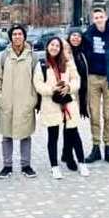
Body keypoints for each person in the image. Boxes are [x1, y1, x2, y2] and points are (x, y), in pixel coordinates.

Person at [34, 37, 89, 179]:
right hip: (51, 102)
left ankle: (82, 163)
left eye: (57, 46)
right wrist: (52, 89)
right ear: (47, 47)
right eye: (52, 45)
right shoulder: (41, 64)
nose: (54, 48)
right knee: (53, 136)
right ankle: (54, 166)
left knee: (74, 133)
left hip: (68, 102)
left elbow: (76, 79)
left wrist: (69, 87)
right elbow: (38, 84)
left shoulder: (68, 62)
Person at [0, 24, 39, 179]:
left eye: (20, 34)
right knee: (7, 135)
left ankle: (26, 165)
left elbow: (37, 80)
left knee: (26, 135)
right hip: (7, 101)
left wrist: (33, 99)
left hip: (25, 101)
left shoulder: (33, 56)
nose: (17, 37)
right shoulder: (3, 56)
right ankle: (7, 165)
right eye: (14, 34)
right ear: (10, 37)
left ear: (24, 37)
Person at [82, 7, 109, 164]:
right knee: (95, 114)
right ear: (93, 19)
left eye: (101, 16)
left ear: (106, 17)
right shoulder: (87, 36)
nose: (98, 19)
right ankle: (96, 147)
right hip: (93, 78)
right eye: (96, 17)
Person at [62, 28, 89, 171]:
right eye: (73, 36)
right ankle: (71, 156)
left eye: (78, 36)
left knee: (70, 125)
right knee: (71, 125)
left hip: (80, 93)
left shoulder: (82, 53)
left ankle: (65, 153)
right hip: (68, 93)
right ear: (68, 37)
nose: (76, 38)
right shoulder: (65, 53)